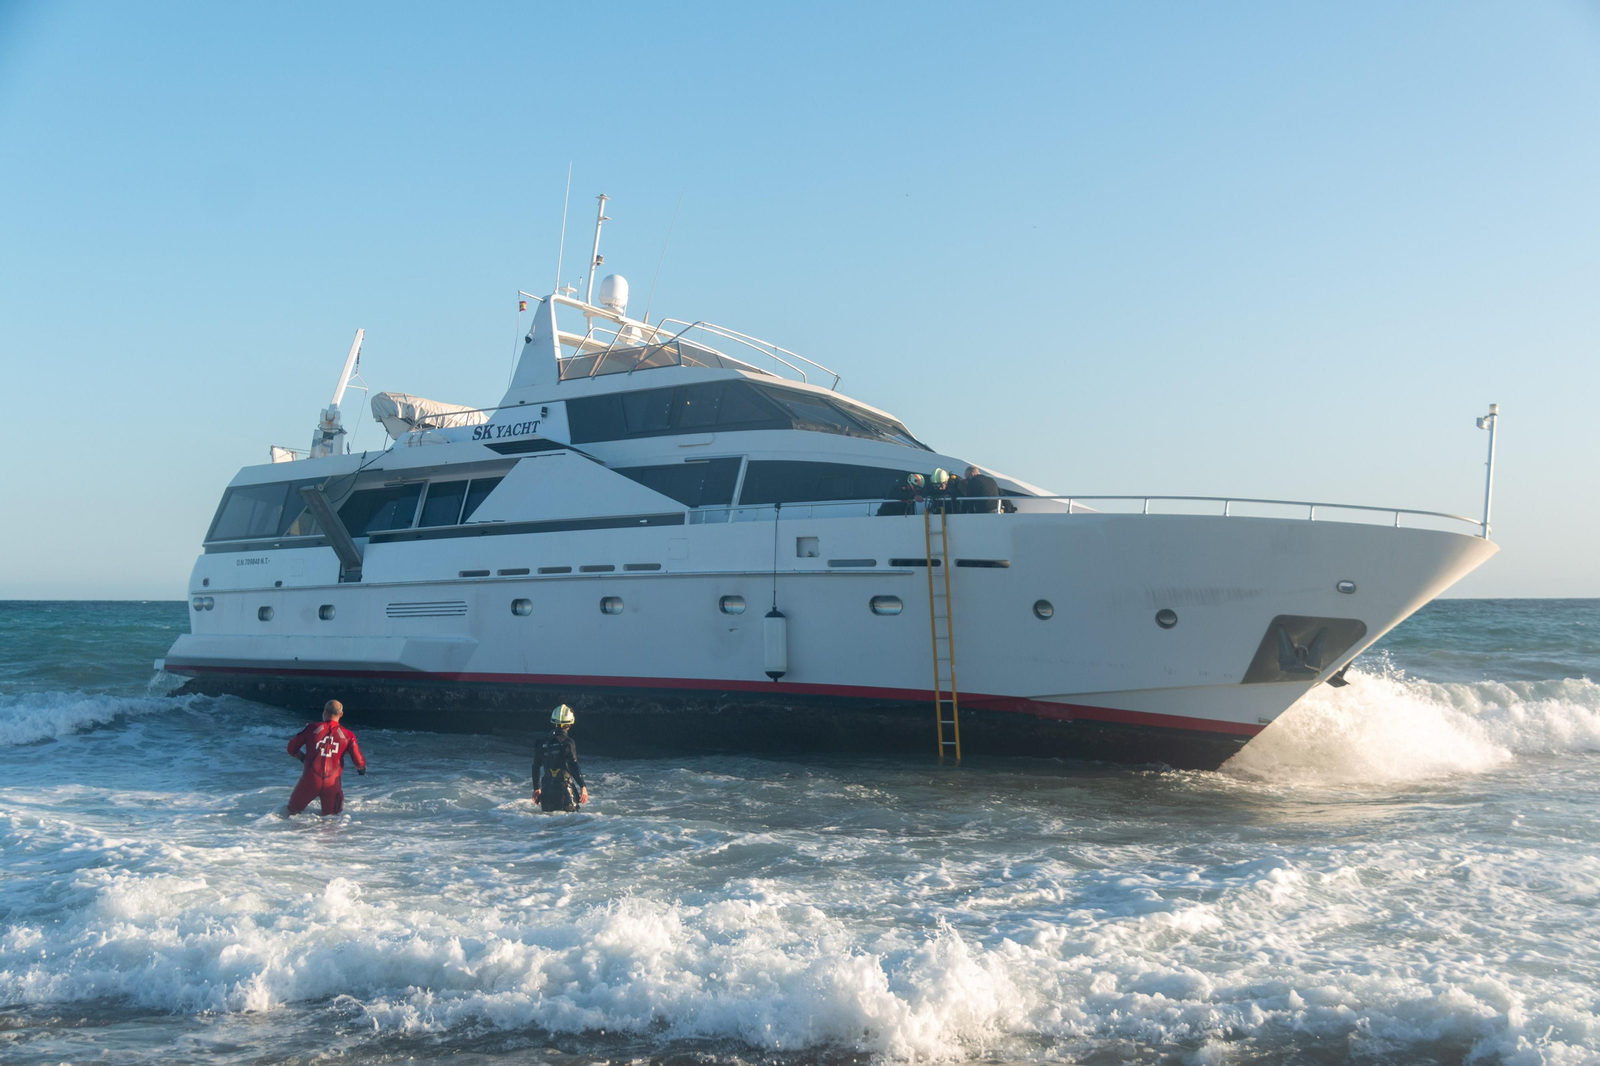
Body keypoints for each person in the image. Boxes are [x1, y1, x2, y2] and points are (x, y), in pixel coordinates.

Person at [286, 700, 366, 816]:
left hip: (310, 780)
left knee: (291, 813)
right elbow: (359, 762)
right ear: (341, 714)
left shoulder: (311, 728)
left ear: (325, 712)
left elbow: (291, 749)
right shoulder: (348, 735)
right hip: (332, 784)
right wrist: (362, 769)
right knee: (331, 820)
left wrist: (303, 757)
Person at [532, 704, 588, 812]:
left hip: (546, 790)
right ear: (569, 723)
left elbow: (535, 766)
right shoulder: (568, 742)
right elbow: (573, 765)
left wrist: (536, 788)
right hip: (565, 790)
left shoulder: (541, 742)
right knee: (570, 820)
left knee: (548, 821)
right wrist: (583, 786)